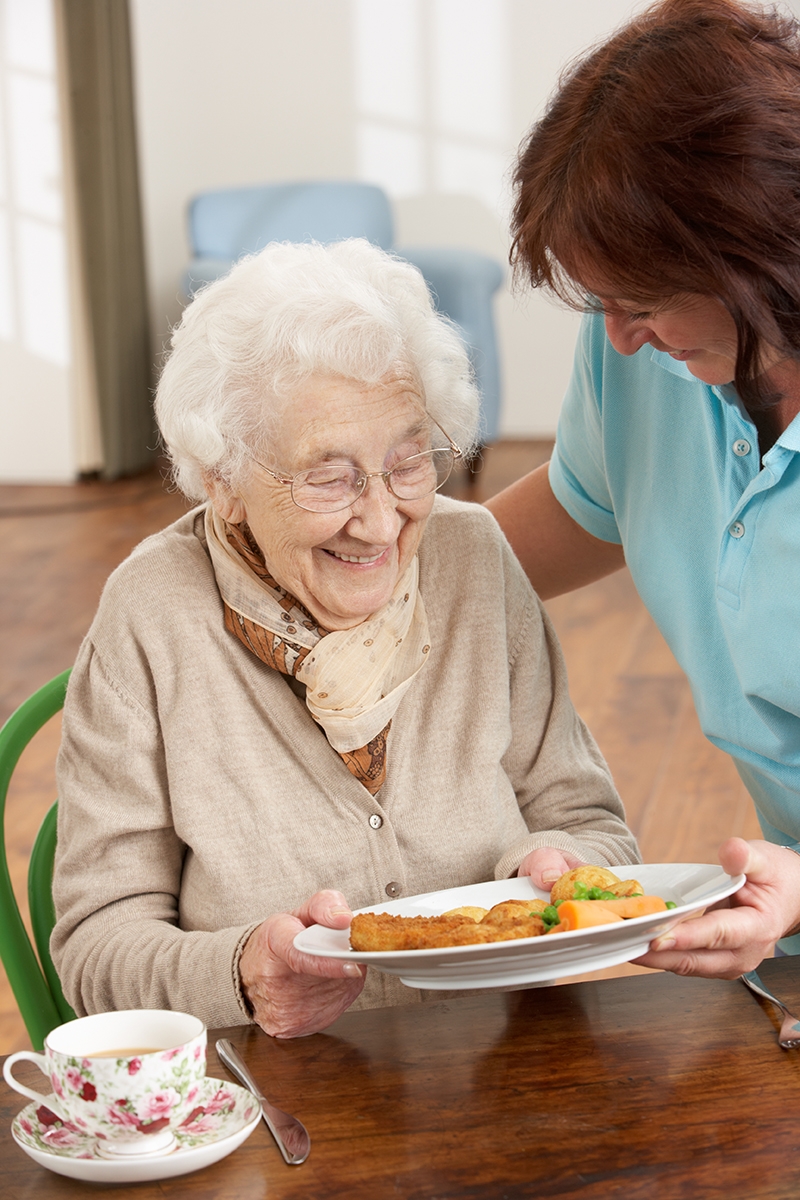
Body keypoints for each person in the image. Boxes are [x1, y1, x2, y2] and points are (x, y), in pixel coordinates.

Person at [51, 238, 638, 1039]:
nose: (378, 519)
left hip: (505, 1067)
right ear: (223, 477)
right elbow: (97, 943)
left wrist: (562, 875)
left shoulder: (473, 559)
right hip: (280, 1102)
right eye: (328, 477)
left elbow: (597, 826)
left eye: (407, 464)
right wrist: (240, 975)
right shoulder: (151, 615)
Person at [487, 0, 800, 978]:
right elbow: (587, 509)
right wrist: (348, 570)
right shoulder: (646, 353)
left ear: (756, 259)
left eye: (642, 303)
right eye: (599, 302)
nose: (617, 337)